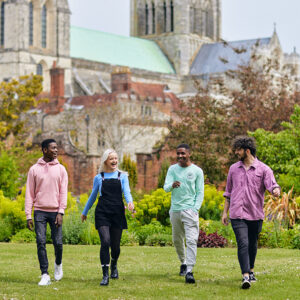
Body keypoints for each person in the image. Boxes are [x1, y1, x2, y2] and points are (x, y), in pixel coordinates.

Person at [222, 136, 280, 289]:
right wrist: (224, 213)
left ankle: (251, 269)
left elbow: (272, 185)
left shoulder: (264, 169)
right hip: (237, 214)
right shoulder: (233, 169)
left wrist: (275, 190)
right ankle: (245, 276)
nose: (236, 153)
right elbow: (228, 192)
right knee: (243, 243)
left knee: (252, 245)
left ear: (247, 151)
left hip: (255, 213)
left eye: (238, 150)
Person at [81, 149, 134, 286]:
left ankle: (114, 264)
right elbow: (93, 196)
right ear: (105, 161)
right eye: (111, 159)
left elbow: (127, 192)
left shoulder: (122, 176)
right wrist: (85, 212)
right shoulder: (99, 177)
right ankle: (105, 275)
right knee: (105, 241)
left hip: (117, 213)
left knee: (115, 246)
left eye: (116, 158)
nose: (114, 161)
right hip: (102, 212)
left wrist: (130, 202)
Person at [25, 139, 68, 286]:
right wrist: (28, 215)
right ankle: (45, 274)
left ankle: (58, 264)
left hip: (55, 211)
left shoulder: (61, 169)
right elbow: (29, 194)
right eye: (53, 148)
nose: (56, 150)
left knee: (58, 243)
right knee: (41, 242)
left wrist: (61, 212)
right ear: (44, 150)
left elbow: (63, 193)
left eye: (57, 148)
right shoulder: (34, 170)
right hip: (39, 212)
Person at [163, 144, 204, 284]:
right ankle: (183, 262)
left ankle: (190, 271)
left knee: (192, 240)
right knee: (177, 240)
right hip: (175, 210)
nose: (180, 156)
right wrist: (171, 185)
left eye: (183, 153)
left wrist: (195, 209)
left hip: (189, 211)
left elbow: (200, 192)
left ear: (189, 154)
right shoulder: (172, 169)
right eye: (178, 153)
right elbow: (165, 187)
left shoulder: (197, 171)